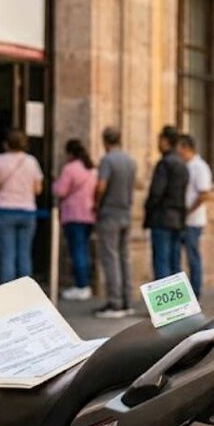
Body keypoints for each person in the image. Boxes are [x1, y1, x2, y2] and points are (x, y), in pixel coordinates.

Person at [0, 130, 43, 283]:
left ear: (6, 144)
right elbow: (38, 189)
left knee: (7, 254)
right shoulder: (31, 161)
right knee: (25, 253)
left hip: (4, 210)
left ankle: (8, 291)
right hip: (27, 211)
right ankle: (26, 289)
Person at [94, 127, 138, 319]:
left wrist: (96, 203)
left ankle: (115, 302)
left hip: (110, 212)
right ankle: (127, 300)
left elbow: (101, 186)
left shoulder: (107, 160)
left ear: (105, 141)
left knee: (110, 257)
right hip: (125, 212)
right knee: (124, 257)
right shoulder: (130, 161)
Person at [54, 139, 97, 301]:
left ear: (70, 153)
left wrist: (54, 183)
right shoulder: (91, 170)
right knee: (83, 250)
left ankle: (81, 285)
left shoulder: (70, 169)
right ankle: (84, 284)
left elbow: (60, 190)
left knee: (77, 250)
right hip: (88, 214)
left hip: (73, 214)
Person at [143, 125, 188, 281]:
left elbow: (156, 192)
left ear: (165, 141)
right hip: (177, 218)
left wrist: (148, 208)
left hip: (162, 217)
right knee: (174, 263)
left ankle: (165, 305)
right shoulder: (182, 164)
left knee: (161, 262)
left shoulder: (165, 163)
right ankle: (180, 305)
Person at [177, 134, 213, 297]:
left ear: (185, 147)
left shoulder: (199, 167)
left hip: (193, 221)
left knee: (193, 257)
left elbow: (204, 194)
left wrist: (188, 211)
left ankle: (195, 292)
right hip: (183, 220)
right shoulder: (186, 166)